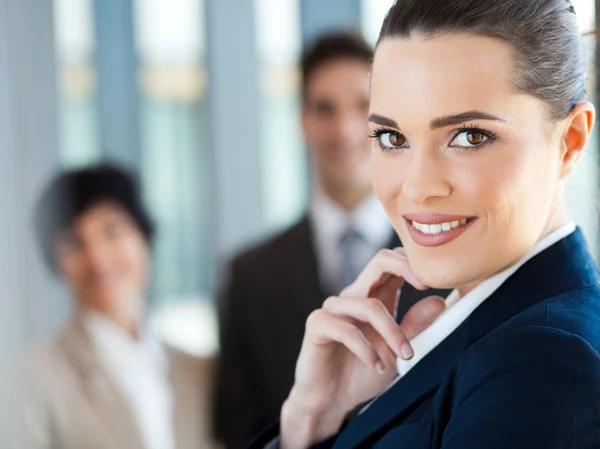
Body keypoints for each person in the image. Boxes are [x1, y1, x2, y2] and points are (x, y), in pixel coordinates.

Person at [249, 0, 600, 448]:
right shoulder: (482, 327)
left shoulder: (549, 362)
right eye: (392, 138)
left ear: (569, 143)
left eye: (470, 137)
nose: (416, 188)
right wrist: (311, 418)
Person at [214, 32, 449, 449]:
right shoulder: (250, 275)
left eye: (363, 107)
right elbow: (236, 428)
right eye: (325, 109)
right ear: (303, 120)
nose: (344, 129)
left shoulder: (447, 253)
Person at [2, 164, 218, 449]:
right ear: (55, 260)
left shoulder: (201, 372)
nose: (98, 259)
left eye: (112, 231)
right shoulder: (32, 381)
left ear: (142, 234)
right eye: (75, 243)